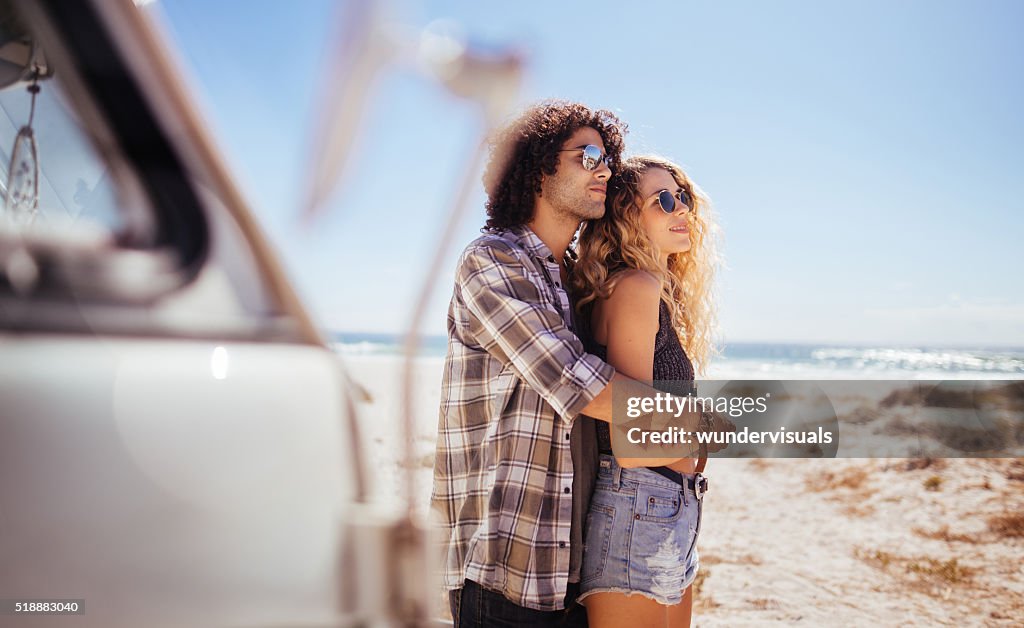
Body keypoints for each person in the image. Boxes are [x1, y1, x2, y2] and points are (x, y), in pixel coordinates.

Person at [430, 103, 710, 627]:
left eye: (606, 158)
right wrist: (708, 427)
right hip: (503, 565)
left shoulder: (574, 279)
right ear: (537, 168)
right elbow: (578, 383)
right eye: (587, 156)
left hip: (570, 560)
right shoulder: (493, 261)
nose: (604, 168)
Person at [571, 155, 720, 628]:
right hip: (640, 508)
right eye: (664, 200)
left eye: (685, 199)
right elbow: (634, 440)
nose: (682, 211)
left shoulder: (649, 289)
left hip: (667, 506)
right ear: (627, 216)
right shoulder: (636, 287)